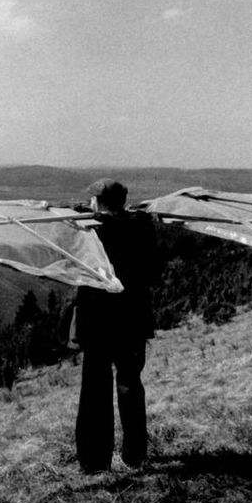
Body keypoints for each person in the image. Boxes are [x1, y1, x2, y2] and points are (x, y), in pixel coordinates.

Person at [73, 178, 158, 474]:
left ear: (97, 202)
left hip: (98, 321)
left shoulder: (90, 227)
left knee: (95, 389)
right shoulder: (142, 226)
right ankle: (135, 455)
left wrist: (85, 214)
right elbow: (153, 269)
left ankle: (95, 462)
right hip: (133, 319)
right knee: (130, 385)